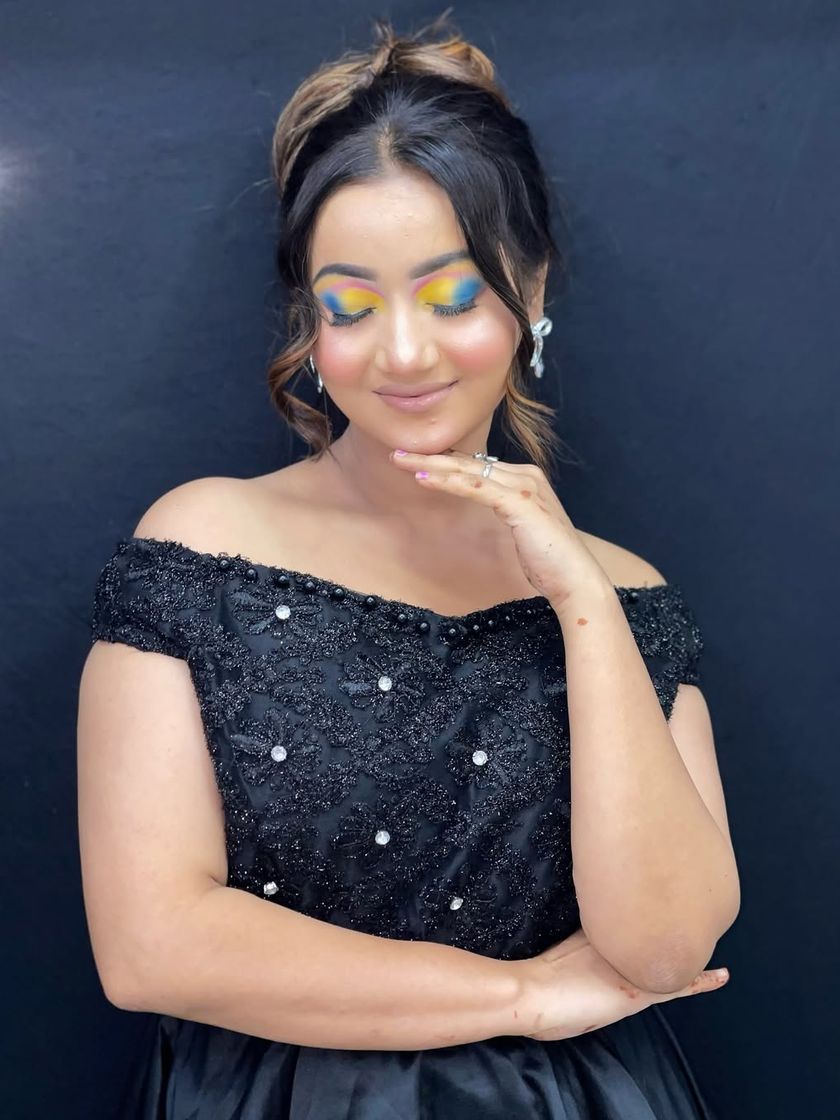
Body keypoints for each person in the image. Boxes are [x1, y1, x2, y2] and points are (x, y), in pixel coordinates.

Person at [76, 13, 740, 1119]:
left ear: (529, 291)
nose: (402, 352)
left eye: (450, 296)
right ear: (312, 320)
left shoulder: (626, 590)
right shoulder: (201, 546)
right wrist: (522, 996)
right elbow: (151, 947)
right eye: (350, 305)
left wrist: (580, 599)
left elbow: (668, 948)